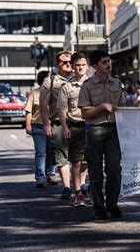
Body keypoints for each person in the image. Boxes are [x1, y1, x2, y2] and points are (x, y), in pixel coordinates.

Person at [78, 50, 126, 220]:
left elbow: (123, 108)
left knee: (114, 168)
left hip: (113, 130)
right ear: (95, 66)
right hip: (95, 130)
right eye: (104, 62)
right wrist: (101, 107)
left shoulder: (117, 83)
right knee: (95, 170)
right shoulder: (87, 86)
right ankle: (99, 208)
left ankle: (112, 203)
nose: (108, 64)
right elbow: (85, 114)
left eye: (109, 61)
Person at [39, 50, 74, 199]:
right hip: (58, 123)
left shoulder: (79, 78)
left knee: (82, 157)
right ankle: (67, 187)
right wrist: (47, 124)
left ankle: (81, 183)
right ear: (58, 64)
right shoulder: (50, 81)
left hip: (78, 122)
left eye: (69, 62)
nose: (68, 64)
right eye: (64, 62)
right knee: (61, 157)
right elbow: (43, 104)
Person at [57, 52, 89, 207]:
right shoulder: (67, 87)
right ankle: (78, 194)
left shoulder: (93, 84)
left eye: (83, 65)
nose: (80, 67)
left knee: (88, 160)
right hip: (75, 126)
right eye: (77, 65)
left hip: (92, 126)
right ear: (73, 67)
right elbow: (62, 109)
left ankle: (83, 184)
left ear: (88, 66)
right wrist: (64, 128)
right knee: (76, 161)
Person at [25, 70, 58, 188]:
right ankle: (40, 177)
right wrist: (28, 125)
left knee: (52, 152)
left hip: (53, 125)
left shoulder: (55, 92)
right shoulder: (34, 93)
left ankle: (51, 174)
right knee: (41, 152)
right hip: (38, 126)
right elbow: (29, 111)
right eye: (47, 78)